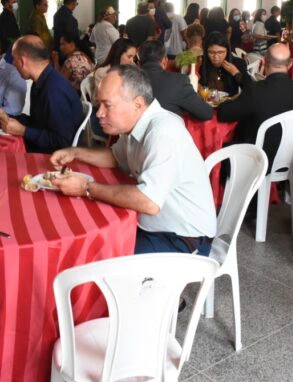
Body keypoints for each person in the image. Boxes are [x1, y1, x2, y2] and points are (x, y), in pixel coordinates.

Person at [49, 65, 216, 255]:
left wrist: (86, 188)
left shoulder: (163, 132)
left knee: (98, 259)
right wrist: (75, 153)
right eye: (99, 105)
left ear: (137, 104)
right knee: (90, 243)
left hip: (183, 239)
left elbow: (148, 201)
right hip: (154, 228)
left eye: (107, 105)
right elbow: (114, 157)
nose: (99, 113)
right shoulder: (135, 125)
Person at [217, 43, 293, 166]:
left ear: (264, 61)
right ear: (290, 64)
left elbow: (224, 114)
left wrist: (228, 100)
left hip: (255, 161)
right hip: (290, 160)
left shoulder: (255, 91)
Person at [0, 35, 83, 153]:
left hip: (53, 157)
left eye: (14, 59)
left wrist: (23, 131)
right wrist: (8, 116)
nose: (13, 64)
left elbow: (63, 142)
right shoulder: (41, 81)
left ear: (22, 61)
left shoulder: (54, 89)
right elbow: (38, 122)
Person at [139, 40, 211, 120]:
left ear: (139, 63)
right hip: (168, 131)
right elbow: (205, 113)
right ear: (165, 60)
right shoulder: (178, 81)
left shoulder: (126, 81)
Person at [199, 31, 250, 96]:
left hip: (230, 103)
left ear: (227, 51)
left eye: (220, 52)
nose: (216, 57)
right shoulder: (201, 62)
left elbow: (250, 88)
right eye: (211, 52)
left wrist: (236, 73)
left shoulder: (237, 63)